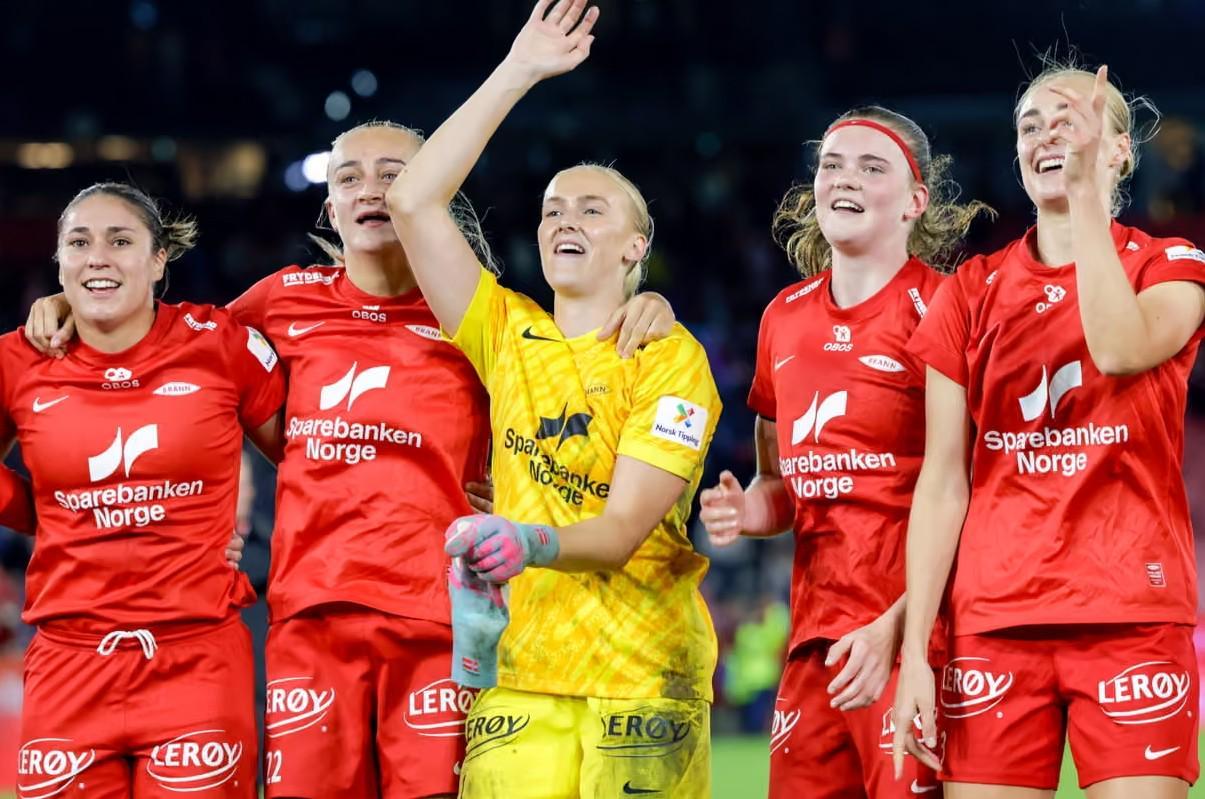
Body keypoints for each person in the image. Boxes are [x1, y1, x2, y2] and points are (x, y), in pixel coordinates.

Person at [25, 136, 676, 799]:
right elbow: (175, 348)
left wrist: (644, 302)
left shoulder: (483, 320)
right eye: (349, 177)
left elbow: (573, 407)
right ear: (330, 209)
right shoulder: (280, 302)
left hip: (439, 620)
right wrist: (73, 309)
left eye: (393, 174)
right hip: (311, 617)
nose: (371, 189)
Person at [385, 1, 722, 796]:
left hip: (641, 678)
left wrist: (523, 540)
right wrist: (518, 71)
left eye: (591, 209)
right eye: (551, 210)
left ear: (635, 246)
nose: (564, 219)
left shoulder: (669, 357)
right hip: (522, 677)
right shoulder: (506, 331)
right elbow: (413, 202)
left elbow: (620, 532)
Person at [893, 64, 1204, 798]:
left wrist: (1086, 196)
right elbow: (942, 483)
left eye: (1069, 122)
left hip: (1131, 612)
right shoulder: (969, 291)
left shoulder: (1169, 266)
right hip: (994, 618)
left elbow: (1118, 349)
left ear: (1119, 149)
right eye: (1030, 126)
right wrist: (915, 654)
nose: (1046, 137)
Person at [698, 106, 990, 797]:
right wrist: (747, 509)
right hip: (816, 647)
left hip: (919, 641)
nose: (844, 178)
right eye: (831, 164)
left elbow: (978, 495)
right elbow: (780, 486)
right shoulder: (782, 318)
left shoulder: (948, 308)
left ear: (914, 202)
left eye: (870, 166)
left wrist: (901, 629)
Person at [12, 183, 285, 798]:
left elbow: (308, 460)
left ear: (160, 259)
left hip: (197, 660)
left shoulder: (219, 342)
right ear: (59, 259)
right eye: (78, 243)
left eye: (120, 241)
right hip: (67, 666)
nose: (97, 256)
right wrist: (44, 515)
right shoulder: (17, 361)